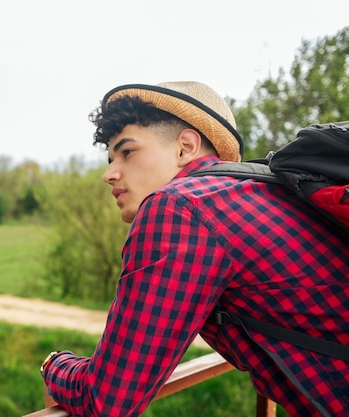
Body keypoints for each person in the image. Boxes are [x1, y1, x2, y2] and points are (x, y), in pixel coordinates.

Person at [39, 81, 349, 416]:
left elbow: (106, 402)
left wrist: (54, 365)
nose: (109, 173)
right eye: (111, 157)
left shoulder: (178, 207)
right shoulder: (257, 190)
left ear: (185, 147)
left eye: (127, 152)